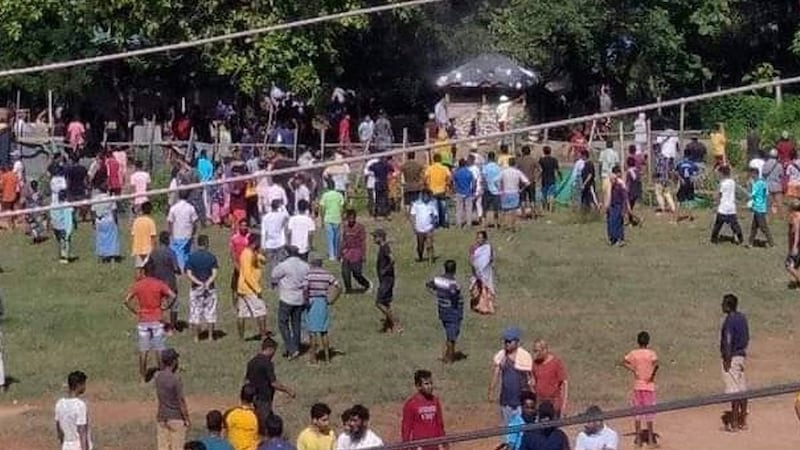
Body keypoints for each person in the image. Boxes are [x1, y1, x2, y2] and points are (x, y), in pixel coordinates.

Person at [124, 259, 176, 382]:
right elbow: (173, 295)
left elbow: (126, 300)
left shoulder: (138, 284)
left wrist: (135, 311)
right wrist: (166, 307)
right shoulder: (159, 284)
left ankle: (142, 377)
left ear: (144, 272)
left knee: (143, 350)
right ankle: (163, 375)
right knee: (159, 348)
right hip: (157, 319)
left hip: (143, 319)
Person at [271, 246, 310, 360]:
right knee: (296, 323)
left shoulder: (285, 265)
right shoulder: (305, 265)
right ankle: (297, 346)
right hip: (299, 298)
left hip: (287, 298)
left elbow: (274, 274)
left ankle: (291, 348)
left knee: (282, 323)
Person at [489, 327, 534, 424]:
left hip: (521, 400)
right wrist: (491, 391)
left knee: (522, 425)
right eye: (505, 341)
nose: (507, 344)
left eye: (510, 341)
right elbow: (496, 374)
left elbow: (531, 377)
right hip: (506, 399)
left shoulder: (524, 357)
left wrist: (533, 395)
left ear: (517, 342)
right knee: (507, 427)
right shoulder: (502, 356)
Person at [622, 331, 659, 448]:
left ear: (638, 341)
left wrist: (633, 370)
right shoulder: (651, 354)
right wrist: (652, 376)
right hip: (649, 386)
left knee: (637, 412)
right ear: (648, 341)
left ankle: (638, 440)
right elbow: (656, 364)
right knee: (649, 413)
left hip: (638, 385)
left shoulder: (634, 353)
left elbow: (624, 361)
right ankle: (651, 441)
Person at [720, 293, 749, 432]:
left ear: (728, 306)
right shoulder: (742, 318)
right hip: (741, 356)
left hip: (732, 357)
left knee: (734, 391)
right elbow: (747, 337)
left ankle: (734, 423)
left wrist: (727, 359)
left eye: (723, 303)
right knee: (743, 389)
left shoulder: (729, 321)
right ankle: (743, 420)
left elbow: (728, 340)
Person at [304, 257, 341, 364]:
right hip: (322, 302)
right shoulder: (327, 274)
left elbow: (305, 289)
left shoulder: (309, 274)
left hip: (312, 302)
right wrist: (332, 299)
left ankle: (313, 358)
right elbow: (338, 286)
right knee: (324, 331)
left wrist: (306, 301)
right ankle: (327, 357)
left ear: (312, 264)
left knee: (312, 332)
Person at [245, 337, 295, 416]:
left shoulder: (252, 361)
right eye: (274, 351)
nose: (274, 354)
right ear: (270, 349)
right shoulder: (267, 363)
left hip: (253, 396)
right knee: (265, 419)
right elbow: (274, 383)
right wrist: (288, 390)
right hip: (264, 398)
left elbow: (247, 380)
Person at [426, 260, 463, 364]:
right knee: (452, 336)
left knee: (449, 333)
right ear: (454, 270)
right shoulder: (452, 283)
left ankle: (447, 354)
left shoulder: (438, 280)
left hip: (442, 310)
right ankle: (450, 358)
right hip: (453, 311)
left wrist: (437, 295)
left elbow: (428, 285)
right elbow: (453, 293)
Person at [185, 234, 219, 342]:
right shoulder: (211, 257)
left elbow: (189, 273)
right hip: (210, 288)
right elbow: (214, 273)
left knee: (195, 312)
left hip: (196, 288)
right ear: (206, 243)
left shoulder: (192, 257)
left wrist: (199, 283)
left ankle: (196, 337)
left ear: (198, 244)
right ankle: (210, 336)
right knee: (210, 312)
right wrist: (207, 282)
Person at [155, 349, 190, 450]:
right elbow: (181, 401)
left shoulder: (158, 377)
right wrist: (186, 419)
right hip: (176, 418)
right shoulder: (176, 379)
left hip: (162, 417)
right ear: (174, 362)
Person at [401, 370, 446, 450]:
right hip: (419, 447)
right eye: (426, 384)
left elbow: (440, 424)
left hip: (435, 445)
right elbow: (406, 428)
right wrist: (406, 447)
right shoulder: (411, 404)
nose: (430, 386)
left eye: (431, 383)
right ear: (418, 386)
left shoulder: (435, 401)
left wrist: (444, 443)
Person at [237, 233, 269, 340]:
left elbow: (262, 259)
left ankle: (241, 338)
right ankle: (264, 335)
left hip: (243, 288)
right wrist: (257, 289)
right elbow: (247, 274)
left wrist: (261, 256)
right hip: (249, 289)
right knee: (261, 310)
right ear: (255, 243)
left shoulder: (251, 253)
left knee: (242, 313)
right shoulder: (247, 254)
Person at [150, 231, 182, 333]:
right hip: (169, 283)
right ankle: (172, 327)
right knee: (173, 306)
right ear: (168, 240)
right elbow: (176, 268)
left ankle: (159, 325)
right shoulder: (171, 252)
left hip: (156, 283)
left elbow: (148, 267)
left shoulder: (153, 252)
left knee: (157, 306)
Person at [372, 229, 401, 333]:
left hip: (386, 280)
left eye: (375, 237)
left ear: (380, 237)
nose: (373, 239)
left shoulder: (385, 248)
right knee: (386, 302)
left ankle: (395, 323)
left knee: (379, 302)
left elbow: (392, 259)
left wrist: (385, 269)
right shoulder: (383, 247)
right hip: (384, 279)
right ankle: (389, 326)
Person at [55, 370, 92, 450]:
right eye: (84, 384)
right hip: (78, 445)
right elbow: (82, 431)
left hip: (66, 445)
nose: (85, 387)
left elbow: (59, 430)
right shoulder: (80, 405)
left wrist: (64, 444)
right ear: (79, 385)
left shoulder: (59, 404)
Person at [532, 339, 568, 418]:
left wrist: (563, 406)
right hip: (540, 404)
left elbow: (564, 384)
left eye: (537, 351)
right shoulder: (535, 364)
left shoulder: (556, 363)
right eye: (534, 351)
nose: (535, 354)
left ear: (545, 350)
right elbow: (534, 380)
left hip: (554, 404)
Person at [340, 209, 371, 293]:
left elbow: (363, 242)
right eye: (349, 218)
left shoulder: (360, 227)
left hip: (357, 252)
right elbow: (344, 240)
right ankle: (348, 289)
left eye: (352, 218)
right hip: (347, 252)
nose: (351, 220)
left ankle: (367, 284)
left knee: (356, 272)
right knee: (345, 272)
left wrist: (363, 254)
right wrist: (340, 251)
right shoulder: (345, 228)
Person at [711, 166, 743, 245]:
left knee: (718, 225)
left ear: (722, 174)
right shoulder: (732, 182)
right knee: (734, 224)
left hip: (723, 208)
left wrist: (714, 202)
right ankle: (740, 237)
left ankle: (714, 239)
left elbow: (718, 195)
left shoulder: (722, 184)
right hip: (731, 207)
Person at [167, 190, 199, 271]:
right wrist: (193, 232)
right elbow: (195, 222)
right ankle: (188, 267)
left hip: (177, 234)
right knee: (186, 252)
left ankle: (181, 268)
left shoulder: (173, 208)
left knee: (178, 252)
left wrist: (170, 233)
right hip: (188, 234)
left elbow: (170, 222)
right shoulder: (190, 208)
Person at [224, 384, 261, 450]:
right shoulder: (257, 416)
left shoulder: (229, 413)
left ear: (240, 396)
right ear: (254, 398)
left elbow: (224, 433)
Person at [91, 184, 120, 262]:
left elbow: (93, 211)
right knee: (111, 238)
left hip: (99, 221)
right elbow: (114, 211)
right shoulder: (110, 198)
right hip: (109, 220)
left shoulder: (95, 199)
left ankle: (101, 255)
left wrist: (93, 222)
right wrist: (116, 221)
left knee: (100, 239)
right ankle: (112, 255)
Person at [499, 158, 530, 233]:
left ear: (508, 163)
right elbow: (527, 182)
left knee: (504, 211)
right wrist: (521, 189)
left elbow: (496, 180)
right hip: (514, 192)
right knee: (513, 211)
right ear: (515, 164)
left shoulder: (503, 171)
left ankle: (503, 226)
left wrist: (500, 189)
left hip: (505, 192)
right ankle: (513, 226)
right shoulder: (518, 172)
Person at [747, 166, 774, 248]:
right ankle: (750, 243)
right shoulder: (763, 182)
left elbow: (751, 195)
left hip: (758, 208)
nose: (751, 176)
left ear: (755, 174)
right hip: (761, 207)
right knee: (754, 227)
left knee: (763, 227)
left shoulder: (756, 184)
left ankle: (771, 243)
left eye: (752, 174)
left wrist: (750, 185)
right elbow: (766, 194)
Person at [469, 230, 495, 314]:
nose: (479, 240)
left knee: (485, 289)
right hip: (476, 271)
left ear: (485, 239)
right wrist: (475, 268)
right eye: (478, 238)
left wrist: (486, 267)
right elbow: (472, 259)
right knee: (476, 288)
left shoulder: (488, 247)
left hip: (486, 272)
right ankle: (477, 305)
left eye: (481, 238)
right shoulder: (473, 247)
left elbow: (491, 258)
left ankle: (485, 307)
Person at [410, 190, 438, 263]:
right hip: (419, 229)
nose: (425, 198)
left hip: (429, 228)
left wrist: (433, 224)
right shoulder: (416, 204)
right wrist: (414, 227)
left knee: (430, 244)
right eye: (424, 196)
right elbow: (412, 216)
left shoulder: (432, 204)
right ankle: (420, 256)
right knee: (420, 245)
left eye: (427, 196)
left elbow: (435, 215)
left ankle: (430, 259)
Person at [319, 181, 345, 261]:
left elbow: (322, 208)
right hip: (337, 218)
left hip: (328, 218)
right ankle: (337, 253)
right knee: (337, 238)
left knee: (330, 237)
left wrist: (322, 219)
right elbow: (342, 207)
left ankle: (331, 255)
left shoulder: (325, 195)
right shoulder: (339, 195)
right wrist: (341, 217)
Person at [424, 154, 451, 228]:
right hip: (442, 189)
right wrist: (447, 184)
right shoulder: (444, 168)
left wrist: (427, 185)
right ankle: (445, 222)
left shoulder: (430, 168)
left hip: (432, 190)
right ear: (440, 160)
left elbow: (425, 177)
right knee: (443, 206)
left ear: (433, 160)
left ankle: (436, 223)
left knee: (434, 208)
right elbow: (449, 176)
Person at [261, 199, 290, 268]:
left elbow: (264, 233)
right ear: (278, 207)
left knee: (271, 266)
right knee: (279, 264)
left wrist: (262, 246)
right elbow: (287, 216)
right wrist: (283, 206)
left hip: (269, 244)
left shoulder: (265, 217)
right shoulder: (281, 215)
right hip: (279, 243)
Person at [604, 166, 627, 246]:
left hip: (618, 206)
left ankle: (618, 238)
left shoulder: (620, 185)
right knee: (611, 222)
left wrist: (624, 208)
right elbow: (606, 194)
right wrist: (606, 204)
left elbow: (624, 197)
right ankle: (612, 238)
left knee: (617, 222)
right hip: (611, 205)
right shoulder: (609, 184)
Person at [131, 202, 157, 275]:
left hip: (138, 248)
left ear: (141, 210)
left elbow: (133, 234)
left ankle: (138, 282)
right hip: (148, 249)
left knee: (138, 268)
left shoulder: (136, 221)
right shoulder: (150, 222)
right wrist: (154, 248)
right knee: (148, 269)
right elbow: (153, 236)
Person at [50, 190, 75, 264]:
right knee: (65, 242)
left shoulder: (53, 204)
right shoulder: (67, 204)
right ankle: (65, 257)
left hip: (56, 226)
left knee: (60, 242)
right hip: (63, 226)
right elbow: (70, 216)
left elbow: (51, 215)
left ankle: (62, 255)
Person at [452, 158, 475, 228]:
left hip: (459, 192)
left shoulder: (456, 173)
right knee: (468, 209)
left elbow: (454, 183)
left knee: (459, 209)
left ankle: (459, 223)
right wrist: (472, 190)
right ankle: (469, 223)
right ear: (465, 164)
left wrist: (455, 189)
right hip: (468, 192)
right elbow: (473, 182)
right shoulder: (469, 172)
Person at [517, 146, 539, 218]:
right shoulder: (533, 160)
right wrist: (537, 178)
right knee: (532, 199)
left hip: (522, 182)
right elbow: (540, 170)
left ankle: (523, 215)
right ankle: (533, 214)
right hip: (531, 181)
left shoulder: (520, 160)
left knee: (523, 199)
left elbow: (516, 169)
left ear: (522, 152)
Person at [482, 152, 502, 228]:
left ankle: (484, 223)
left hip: (487, 189)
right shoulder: (498, 167)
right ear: (494, 158)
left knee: (485, 207)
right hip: (496, 190)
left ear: (488, 158)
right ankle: (496, 224)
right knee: (496, 208)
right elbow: (500, 178)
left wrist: (484, 186)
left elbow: (483, 178)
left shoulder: (485, 167)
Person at [538, 146, 561, 213]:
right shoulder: (554, 160)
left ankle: (544, 208)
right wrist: (560, 177)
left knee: (544, 195)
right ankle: (551, 209)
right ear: (550, 151)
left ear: (543, 151)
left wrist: (538, 178)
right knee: (551, 195)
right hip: (552, 179)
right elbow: (558, 170)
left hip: (544, 179)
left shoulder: (541, 160)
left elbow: (540, 170)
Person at [762, 149, 783, 215]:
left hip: (768, 185)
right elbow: (781, 175)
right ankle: (780, 215)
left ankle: (771, 215)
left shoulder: (765, 164)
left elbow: (763, 174)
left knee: (770, 202)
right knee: (779, 202)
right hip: (777, 185)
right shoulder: (779, 165)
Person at [787, 200, 800, 288]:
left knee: (788, 265)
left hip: (797, 245)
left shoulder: (795, 217)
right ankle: (796, 281)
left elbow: (797, 232)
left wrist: (795, 246)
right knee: (796, 265)